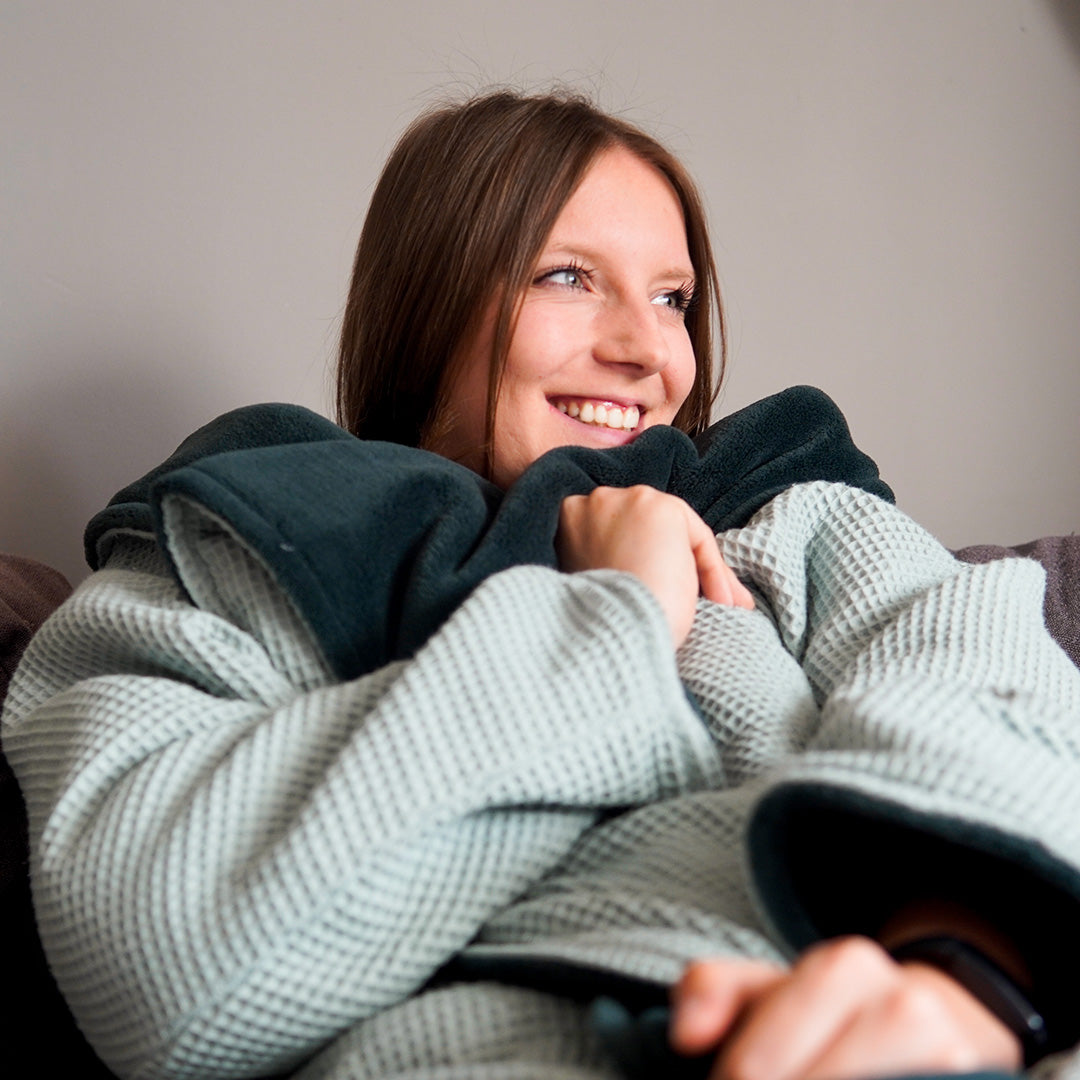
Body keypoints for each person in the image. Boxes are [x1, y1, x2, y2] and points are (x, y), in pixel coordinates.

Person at [4, 90, 1080, 1080]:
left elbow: (994, 688)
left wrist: (972, 971)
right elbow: (160, 960)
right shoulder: (242, 535)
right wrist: (610, 622)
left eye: (673, 297)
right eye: (568, 276)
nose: (645, 348)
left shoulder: (788, 508)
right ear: (429, 302)